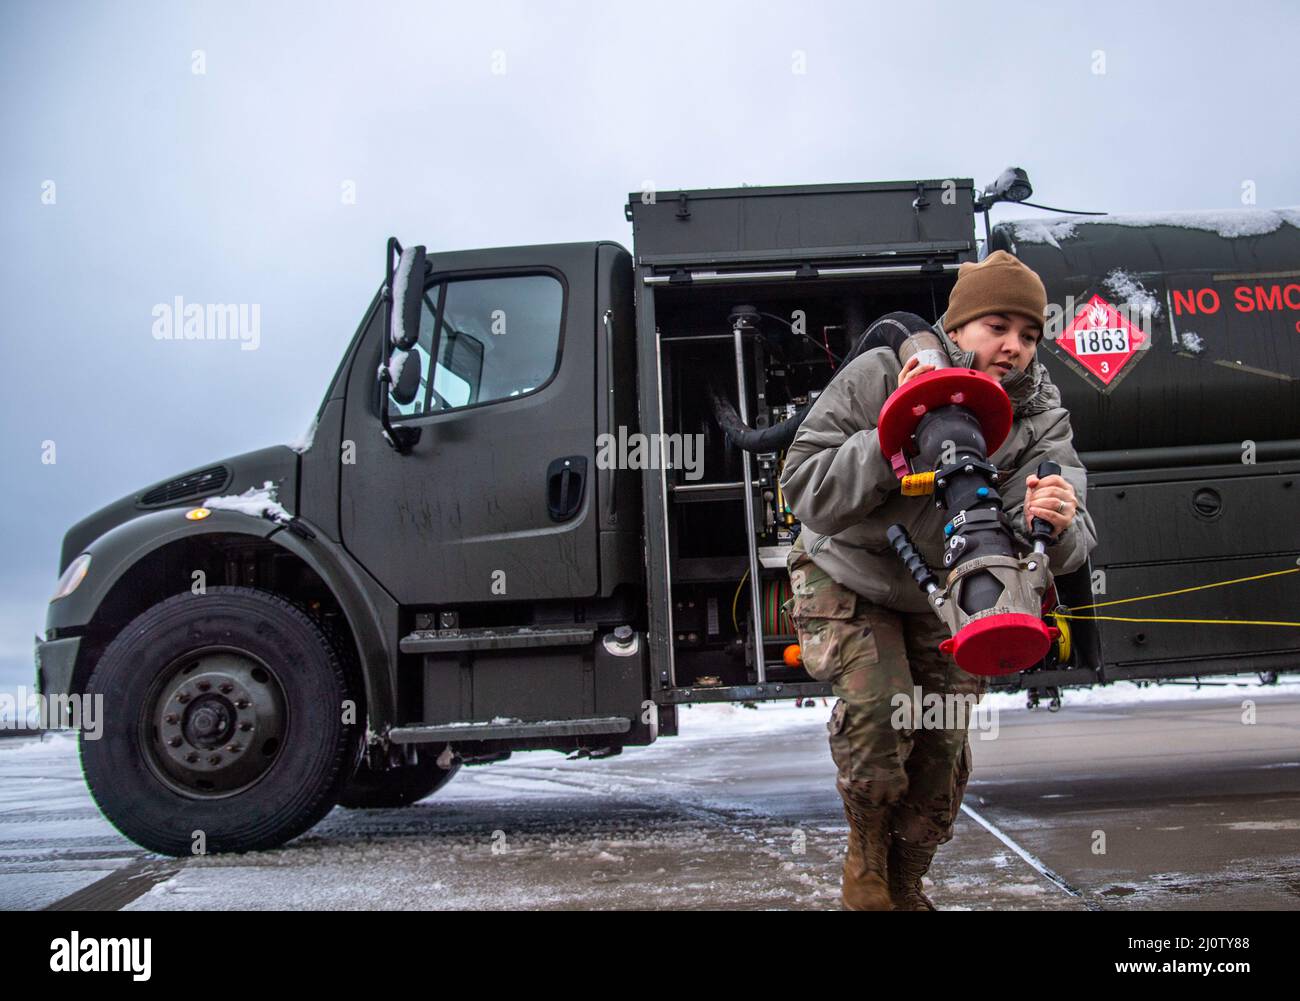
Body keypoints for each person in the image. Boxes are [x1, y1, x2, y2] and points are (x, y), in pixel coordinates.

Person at [779, 250, 1098, 910]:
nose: (1014, 347)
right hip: (850, 571)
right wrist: (893, 440)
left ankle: (907, 881)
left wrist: (1056, 521)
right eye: (998, 326)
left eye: (1030, 335)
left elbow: (1070, 544)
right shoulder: (881, 372)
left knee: (941, 750)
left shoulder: (1039, 416)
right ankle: (866, 855)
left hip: (947, 592)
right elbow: (801, 485)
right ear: (960, 327)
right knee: (878, 710)